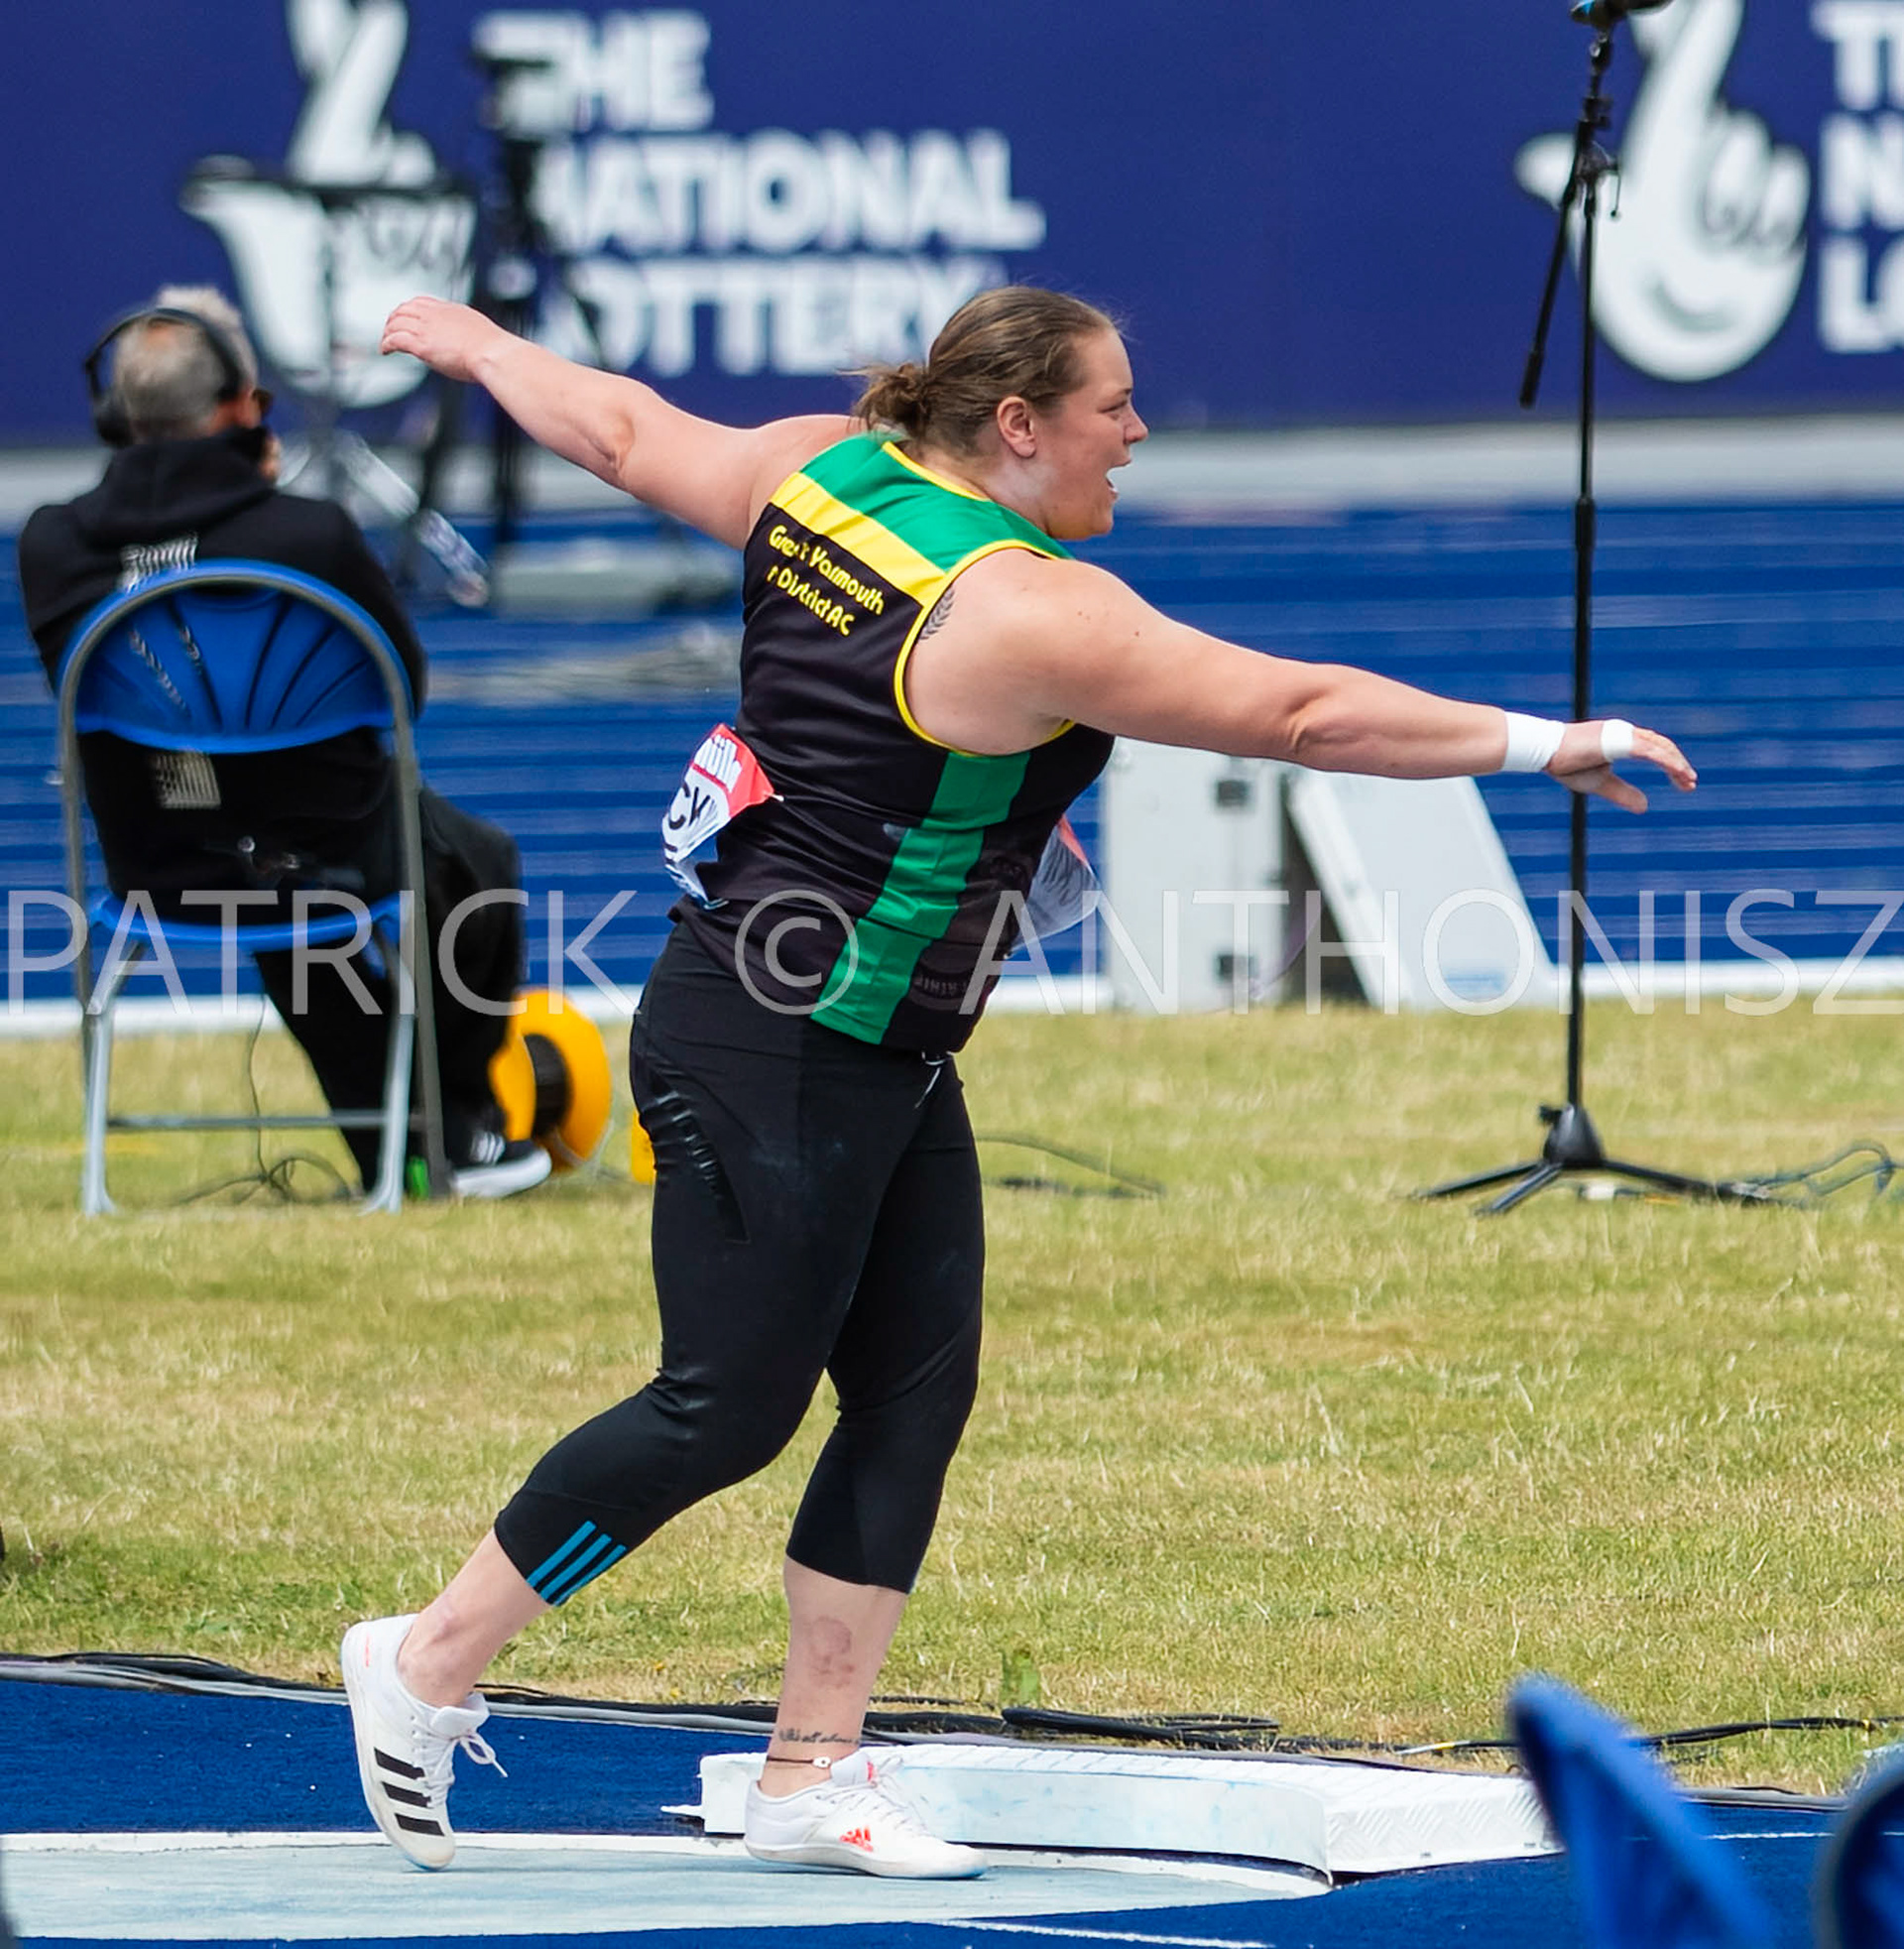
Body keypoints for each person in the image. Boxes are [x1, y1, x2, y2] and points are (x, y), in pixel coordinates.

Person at [339, 284, 1697, 1879]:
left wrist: (478, 344)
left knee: (915, 1390)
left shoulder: (823, 472)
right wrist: (1551, 742)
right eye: (1115, 405)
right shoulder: (1032, 610)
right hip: (775, 1038)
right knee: (723, 1409)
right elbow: (1302, 713)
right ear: (1019, 424)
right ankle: (425, 1658)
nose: (1140, 432)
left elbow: (625, 430)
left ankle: (808, 1773)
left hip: (882, 1040)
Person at [17, 287, 548, 1201]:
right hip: (330, 850)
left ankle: (426, 1142)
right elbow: (400, 690)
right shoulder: (308, 536)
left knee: (288, 912)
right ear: (239, 409)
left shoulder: (52, 546)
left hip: (155, 862)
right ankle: (446, 1130)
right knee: (475, 868)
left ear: (118, 416)